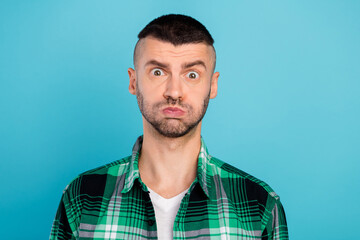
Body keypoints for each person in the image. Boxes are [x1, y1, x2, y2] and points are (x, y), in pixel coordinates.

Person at [50, 14, 288, 240]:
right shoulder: (82, 197)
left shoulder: (259, 205)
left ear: (212, 86)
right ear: (134, 82)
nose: (174, 92)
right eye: (158, 72)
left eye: (192, 75)